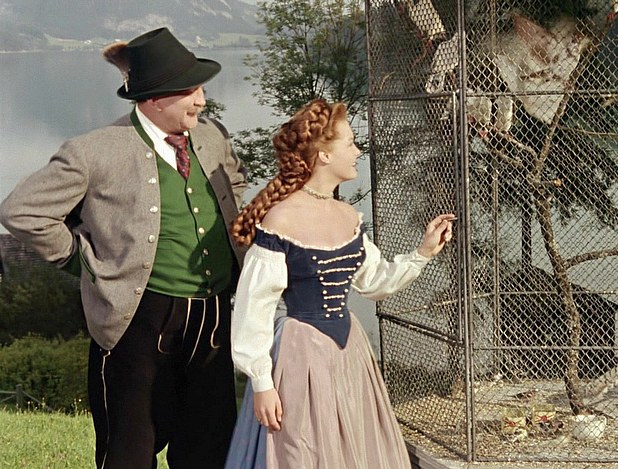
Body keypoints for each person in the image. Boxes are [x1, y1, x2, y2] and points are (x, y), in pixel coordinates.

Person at [0, 28, 247, 469]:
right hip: (136, 319)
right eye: (190, 91)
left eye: (200, 89)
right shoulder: (93, 151)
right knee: (129, 451)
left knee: (210, 448)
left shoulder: (212, 136)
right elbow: (22, 211)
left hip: (212, 316)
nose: (201, 101)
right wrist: (82, 262)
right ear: (154, 98)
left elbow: (236, 184)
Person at [224, 98, 454, 468]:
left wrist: (422, 252)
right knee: (303, 449)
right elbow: (254, 310)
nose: (358, 150)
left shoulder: (348, 216)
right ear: (324, 155)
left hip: (350, 353)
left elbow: (374, 282)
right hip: (300, 355)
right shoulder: (280, 220)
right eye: (350, 143)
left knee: (354, 447)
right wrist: (262, 383)